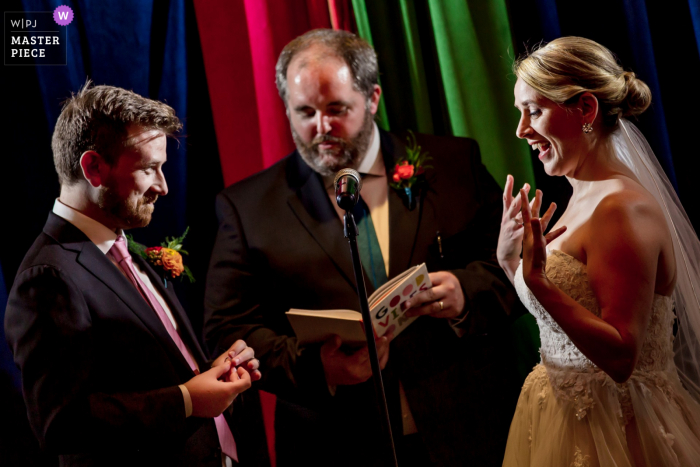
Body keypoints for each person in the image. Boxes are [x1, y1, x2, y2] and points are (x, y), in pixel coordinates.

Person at [204, 29, 532, 467]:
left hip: (469, 429)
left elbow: (519, 264)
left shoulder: (453, 163)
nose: (321, 128)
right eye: (304, 112)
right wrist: (317, 368)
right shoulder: (246, 208)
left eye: (336, 109)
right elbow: (227, 329)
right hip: (335, 446)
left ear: (373, 97)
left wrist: (465, 293)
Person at [4, 83, 262, 467]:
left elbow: (148, 372)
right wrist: (188, 400)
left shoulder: (121, 245)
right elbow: (60, 422)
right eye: (148, 168)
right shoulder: (47, 276)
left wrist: (214, 373)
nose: (163, 186)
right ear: (93, 168)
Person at [499, 36, 700, 466]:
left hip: (621, 430)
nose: (521, 130)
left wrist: (535, 281)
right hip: (564, 417)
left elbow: (622, 355)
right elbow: (567, 316)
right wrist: (509, 262)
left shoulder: (621, 208)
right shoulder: (583, 193)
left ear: (586, 110)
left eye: (534, 111)